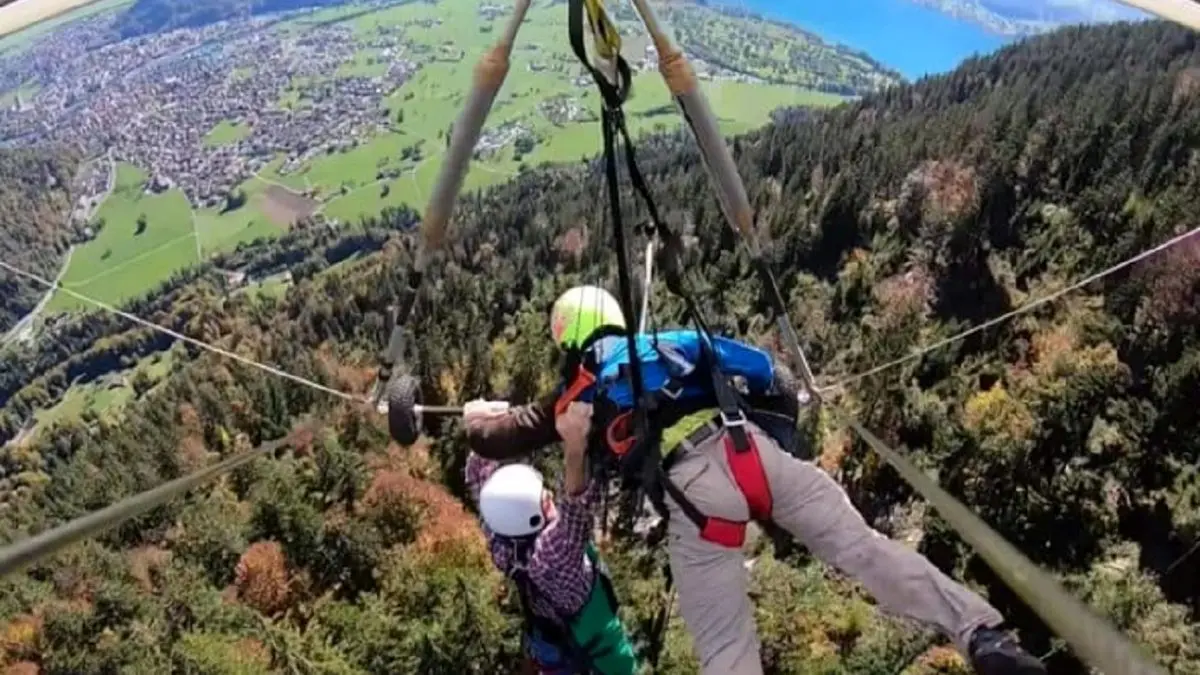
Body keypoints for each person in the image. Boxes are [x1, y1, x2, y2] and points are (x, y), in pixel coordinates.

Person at [464, 285, 1047, 675]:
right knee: (867, 551)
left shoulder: (579, 391)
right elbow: (769, 373)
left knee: (726, 648)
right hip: (755, 453)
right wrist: (779, 449)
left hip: (696, 497)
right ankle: (981, 633)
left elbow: (501, 437)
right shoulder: (678, 343)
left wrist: (477, 421)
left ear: (568, 338)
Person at [464, 399, 640, 675]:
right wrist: (575, 441)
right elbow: (576, 503)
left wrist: (479, 423)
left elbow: (481, 482)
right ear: (538, 512)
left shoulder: (503, 542)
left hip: (555, 653)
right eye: (545, 496)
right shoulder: (553, 555)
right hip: (600, 662)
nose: (549, 496)